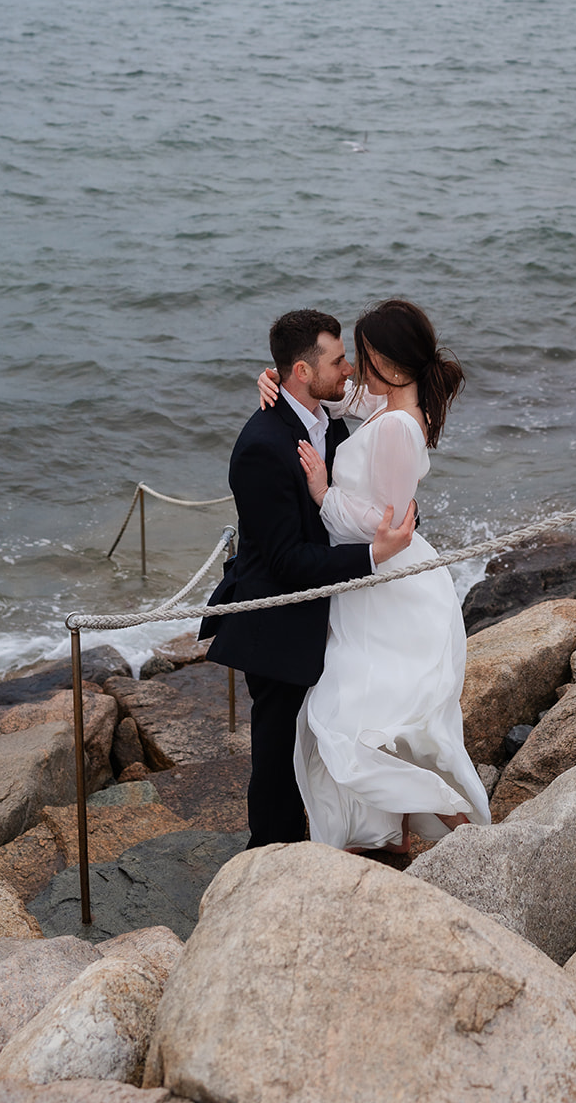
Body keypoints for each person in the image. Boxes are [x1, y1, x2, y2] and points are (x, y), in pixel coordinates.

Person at [259, 298, 491, 853]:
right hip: (368, 588)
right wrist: (270, 379)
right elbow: (323, 396)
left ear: (388, 359)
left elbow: (386, 527)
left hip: (385, 587)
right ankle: (388, 834)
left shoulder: (398, 429)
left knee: (353, 716)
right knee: (366, 715)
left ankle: (449, 825)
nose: (355, 371)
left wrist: (323, 494)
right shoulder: (385, 404)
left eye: (362, 357)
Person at [200, 308, 416, 848]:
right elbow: (285, 562)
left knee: (322, 742)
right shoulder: (261, 447)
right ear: (301, 371)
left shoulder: (327, 418)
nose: (349, 370)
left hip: (332, 609)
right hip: (277, 619)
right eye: (338, 360)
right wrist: (372, 555)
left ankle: (331, 837)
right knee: (276, 755)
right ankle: (267, 856)